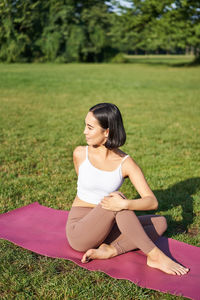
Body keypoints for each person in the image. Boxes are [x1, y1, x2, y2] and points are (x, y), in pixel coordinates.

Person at [66, 103, 189, 276]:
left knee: (160, 222)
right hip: (80, 231)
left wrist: (125, 203)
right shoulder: (80, 153)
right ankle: (154, 256)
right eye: (85, 126)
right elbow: (85, 189)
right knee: (116, 199)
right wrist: (120, 204)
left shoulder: (125, 163)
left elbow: (152, 202)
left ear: (107, 132)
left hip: (106, 227)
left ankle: (112, 250)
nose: (84, 131)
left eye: (90, 127)